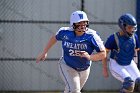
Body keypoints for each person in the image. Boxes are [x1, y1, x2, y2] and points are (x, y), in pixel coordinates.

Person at [36, 10, 106, 93]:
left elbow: (103, 54)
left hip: (85, 68)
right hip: (67, 65)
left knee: (70, 90)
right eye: (79, 23)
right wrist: (44, 52)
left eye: (84, 22)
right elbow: (54, 38)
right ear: (73, 24)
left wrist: (90, 57)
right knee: (74, 90)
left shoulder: (92, 36)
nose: (82, 25)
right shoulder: (65, 32)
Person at [102, 13, 140, 93]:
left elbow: (135, 51)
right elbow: (104, 53)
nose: (132, 30)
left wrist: (135, 65)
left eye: (133, 28)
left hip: (129, 63)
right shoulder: (113, 38)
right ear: (123, 26)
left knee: (138, 82)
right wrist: (105, 69)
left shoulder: (134, 37)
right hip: (116, 64)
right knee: (129, 83)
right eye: (129, 28)